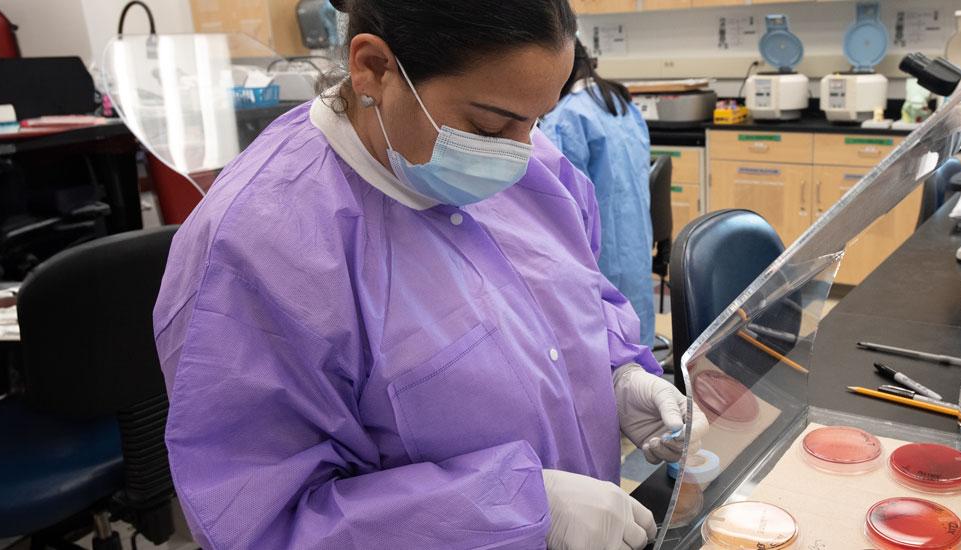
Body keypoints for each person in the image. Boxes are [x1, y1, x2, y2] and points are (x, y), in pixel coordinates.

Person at [152, 1, 704, 548]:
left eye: (537, 120)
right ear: (372, 67)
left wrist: (617, 375)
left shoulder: (529, 163)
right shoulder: (259, 251)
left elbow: (578, 292)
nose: (520, 153)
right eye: (488, 125)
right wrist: (520, 511)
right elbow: (267, 525)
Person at [542, 42, 655, 345]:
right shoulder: (621, 103)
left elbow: (559, 202)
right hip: (637, 243)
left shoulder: (566, 118)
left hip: (599, 252)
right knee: (634, 324)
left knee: (605, 333)